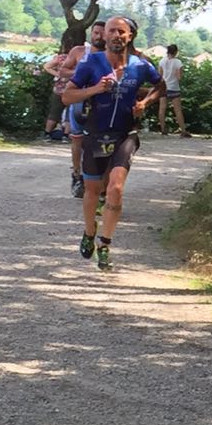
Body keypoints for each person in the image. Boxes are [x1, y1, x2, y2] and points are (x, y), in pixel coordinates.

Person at [61, 14, 165, 270]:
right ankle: (88, 232)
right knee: (92, 191)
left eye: (122, 31)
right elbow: (67, 96)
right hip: (94, 134)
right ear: (104, 35)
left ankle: (105, 244)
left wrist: (144, 103)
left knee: (116, 189)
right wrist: (95, 89)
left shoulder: (140, 66)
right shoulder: (90, 63)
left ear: (130, 36)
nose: (116, 36)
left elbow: (161, 86)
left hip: (124, 135)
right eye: (112, 31)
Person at [44, 20, 105, 196]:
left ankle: (98, 180)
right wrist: (83, 72)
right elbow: (63, 71)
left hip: (102, 104)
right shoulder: (79, 52)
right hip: (79, 101)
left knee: (101, 141)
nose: (99, 36)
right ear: (91, 34)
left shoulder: (112, 55)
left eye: (102, 33)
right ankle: (77, 175)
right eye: (96, 32)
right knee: (77, 140)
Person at [157, 44, 190, 136]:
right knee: (178, 110)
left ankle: (163, 129)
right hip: (174, 87)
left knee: (162, 109)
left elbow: (159, 76)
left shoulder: (162, 61)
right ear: (176, 52)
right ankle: (183, 130)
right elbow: (179, 77)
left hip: (163, 88)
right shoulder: (178, 62)